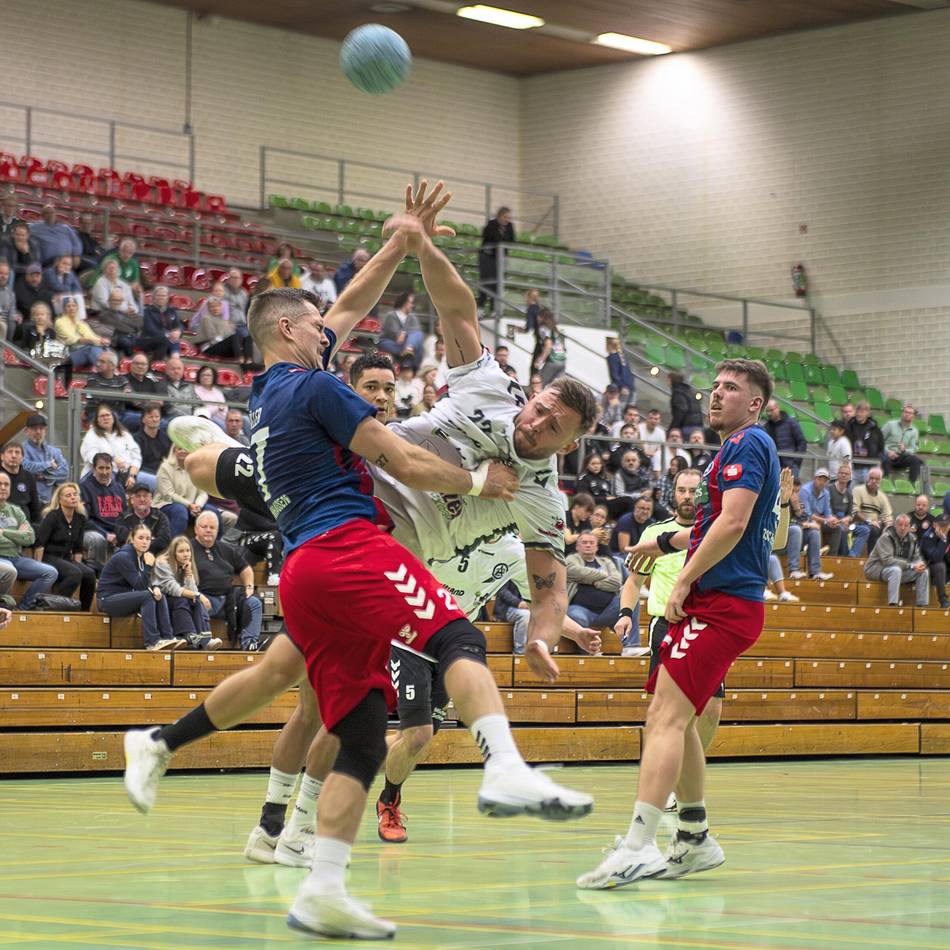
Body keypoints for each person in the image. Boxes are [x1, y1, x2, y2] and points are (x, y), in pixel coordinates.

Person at [122, 199, 594, 938]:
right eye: (537, 408)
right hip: (357, 515)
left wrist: (405, 242)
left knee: (325, 707)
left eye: (551, 426)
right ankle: (501, 763)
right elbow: (440, 345)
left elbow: (550, 579)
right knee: (453, 642)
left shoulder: (300, 372)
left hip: (339, 536)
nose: (534, 421)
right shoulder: (350, 386)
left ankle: (289, 852)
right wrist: (475, 481)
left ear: (565, 444)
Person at [578, 358, 785, 889]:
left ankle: (638, 846)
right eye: (715, 386)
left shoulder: (749, 444)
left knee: (663, 719)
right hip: (717, 602)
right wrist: (664, 541)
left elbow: (735, 523)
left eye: (731, 388)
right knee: (681, 718)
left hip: (722, 603)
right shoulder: (731, 451)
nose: (716, 395)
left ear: (755, 404)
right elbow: (714, 521)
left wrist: (686, 578)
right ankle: (693, 837)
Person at [98, 524, 181, 650]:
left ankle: (167, 638)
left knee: (159, 596)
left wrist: (155, 587)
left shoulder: (140, 556)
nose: (145, 542)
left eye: (148, 539)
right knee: (148, 596)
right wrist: (148, 566)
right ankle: (152, 642)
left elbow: (145, 582)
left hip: (125, 597)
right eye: (141, 538)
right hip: (107, 600)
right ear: (132, 539)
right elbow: (140, 586)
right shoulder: (124, 556)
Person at [189, 511, 263, 650]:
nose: (208, 530)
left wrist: (249, 587)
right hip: (203, 599)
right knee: (197, 605)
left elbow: (245, 568)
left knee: (254, 603)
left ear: (218, 530)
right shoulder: (187, 548)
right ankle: (202, 644)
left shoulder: (225, 549)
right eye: (204, 526)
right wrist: (197, 595)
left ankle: (250, 644)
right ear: (196, 529)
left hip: (228, 601)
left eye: (212, 527)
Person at [33, 482, 96, 611]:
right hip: (49, 556)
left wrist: (77, 565)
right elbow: (40, 543)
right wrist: (38, 565)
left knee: (89, 574)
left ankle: (84, 611)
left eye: (75, 495)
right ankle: (56, 607)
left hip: (67, 558)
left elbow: (78, 548)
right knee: (74, 573)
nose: (73, 497)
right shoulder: (53, 516)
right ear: (60, 499)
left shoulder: (80, 518)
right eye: (68, 495)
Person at [152, 536, 223, 650]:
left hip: (177, 601)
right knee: (183, 599)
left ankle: (205, 638)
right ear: (173, 553)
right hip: (161, 601)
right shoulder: (162, 563)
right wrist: (199, 595)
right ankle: (189, 635)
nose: (186, 554)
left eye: (188, 550)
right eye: (181, 551)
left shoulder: (185, 565)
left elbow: (193, 592)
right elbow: (173, 589)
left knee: (195, 601)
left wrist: (188, 574)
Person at [0, 470, 57, 609]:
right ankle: (3, 606)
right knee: (10, 570)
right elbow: (22, 538)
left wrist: (4, 532)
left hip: (16, 558)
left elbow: (30, 538)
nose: (3, 487)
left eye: (6, 484)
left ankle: (23, 608)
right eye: (0, 484)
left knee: (50, 572)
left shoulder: (16, 511)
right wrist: (18, 535)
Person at [863, 514, 930, 607]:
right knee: (895, 570)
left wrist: (920, 564)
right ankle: (893, 605)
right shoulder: (885, 537)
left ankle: (922, 606)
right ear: (895, 525)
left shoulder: (912, 539)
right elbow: (887, 560)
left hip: (898, 571)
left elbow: (916, 557)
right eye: (900, 525)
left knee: (923, 572)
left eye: (906, 525)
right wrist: (911, 566)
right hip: (875, 568)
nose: (903, 528)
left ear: (909, 527)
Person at [566, 531, 623, 636]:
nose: (588, 545)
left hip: (608, 610)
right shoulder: (571, 559)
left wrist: (596, 583)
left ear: (596, 547)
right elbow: (574, 571)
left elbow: (616, 582)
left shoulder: (606, 561)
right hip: (580, 609)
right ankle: (585, 652)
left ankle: (631, 645)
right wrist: (604, 575)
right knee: (576, 617)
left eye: (592, 543)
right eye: (584, 542)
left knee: (629, 602)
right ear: (577, 546)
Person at [154, 447, 219, 537]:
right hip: (166, 504)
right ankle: (173, 546)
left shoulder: (197, 468)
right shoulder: (165, 468)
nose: (183, 451)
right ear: (174, 451)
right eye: (179, 449)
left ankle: (215, 547)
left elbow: (203, 493)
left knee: (212, 511)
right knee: (180, 511)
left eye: (186, 448)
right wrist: (189, 505)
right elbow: (168, 495)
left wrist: (198, 506)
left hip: (192, 507)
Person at [79, 452, 127, 569]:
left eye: (107, 468)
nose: (104, 472)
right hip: (93, 531)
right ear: (94, 469)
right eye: (101, 468)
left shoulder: (118, 487)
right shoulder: (84, 487)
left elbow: (124, 516)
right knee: (98, 539)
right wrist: (105, 534)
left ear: (112, 469)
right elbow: (84, 519)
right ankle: (97, 575)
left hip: (115, 531)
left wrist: (120, 534)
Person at [80, 404, 142, 488]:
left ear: (113, 417)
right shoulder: (91, 435)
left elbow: (136, 456)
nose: (105, 418)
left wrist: (132, 475)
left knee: (153, 481)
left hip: (129, 473)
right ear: (97, 420)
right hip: (104, 474)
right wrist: (112, 459)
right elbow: (92, 457)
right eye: (102, 416)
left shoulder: (125, 434)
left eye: (108, 415)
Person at [795, 468, 838, 578]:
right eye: (820, 479)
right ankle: (814, 565)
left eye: (824, 480)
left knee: (838, 528)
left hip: (818, 521)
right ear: (814, 478)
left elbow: (828, 512)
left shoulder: (826, 493)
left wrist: (832, 520)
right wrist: (825, 520)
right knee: (814, 529)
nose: (822, 482)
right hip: (806, 522)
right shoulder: (805, 490)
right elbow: (807, 514)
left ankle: (831, 559)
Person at [21, 413, 68, 507]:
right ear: (26, 431)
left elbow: (64, 473)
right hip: (29, 501)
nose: (38, 432)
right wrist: (48, 465)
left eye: (41, 428)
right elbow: (25, 468)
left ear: (45, 430)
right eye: (34, 429)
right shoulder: (21, 449)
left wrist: (44, 476)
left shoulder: (54, 451)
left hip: (51, 502)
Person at [54, 295, 107, 379]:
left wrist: (102, 341)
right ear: (64, 309)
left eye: (74, 306)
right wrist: (92, 341)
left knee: (106, 350)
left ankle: (105, 371)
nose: (71, 308)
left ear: (77, 308)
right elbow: (71, 339)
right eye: (68, 306)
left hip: (84, 353)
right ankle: (106, 374)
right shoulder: (60, 322)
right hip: (67, 355)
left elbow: (92, 336)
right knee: (91, 348)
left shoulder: (81, 323)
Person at [115, 483, 171, 554]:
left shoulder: (160, 517)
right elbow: (122, 537)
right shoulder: (123, 516)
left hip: (154, 555)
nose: (142, 499)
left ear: (151, 499)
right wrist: (150, 540)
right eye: (138, 496)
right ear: (132, 500)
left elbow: (164, 540)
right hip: (128, 553)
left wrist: (141, 543)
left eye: (145, 496)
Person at [477, 206, 514, 309]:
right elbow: (491, 238)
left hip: (500, 258)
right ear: (499, 216)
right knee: (485, 281)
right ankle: (480, 307)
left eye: (509, 218)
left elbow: (511, 240)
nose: (507, 220)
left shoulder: (510, 226)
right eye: (505, 217)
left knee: (497, 283)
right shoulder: (491, 224)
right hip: (487, 257)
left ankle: (494, 309)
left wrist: (502, 237)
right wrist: (501, 236)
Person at [850, 467, 892, 557]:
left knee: (889, 532)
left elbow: (887, 515)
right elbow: (856, 512)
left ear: (880, 481)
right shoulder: (858, 490)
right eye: (871, 478)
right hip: (857, 523)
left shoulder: (882, 496)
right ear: (867, 478)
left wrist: (888, 526)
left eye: (877, 479)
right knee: (873, 529)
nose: (873, 481)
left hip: (875, 524)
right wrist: (869, 521)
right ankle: (870, 558)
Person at [379, 291, 424, 369]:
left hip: (407, 344)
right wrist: (403, 334)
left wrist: (404, 333)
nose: (412, 305)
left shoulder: (412, 316)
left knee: (418, 334)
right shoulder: (391, 315)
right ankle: (407, 353)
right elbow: (396, 335)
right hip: (392, 343)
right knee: (384, 343)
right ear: (404, 302)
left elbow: (416, 331)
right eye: (411, 303)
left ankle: (408, 349)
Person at [881, 403, 923, 485]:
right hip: (888, 455)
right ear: (902, 413)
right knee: (885, 459)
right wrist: (888, 452)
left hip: (901, 456)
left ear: (913, 416)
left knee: (916, 461)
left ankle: (911, 484)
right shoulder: (890, 425)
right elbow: (879, 441)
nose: (907, 414)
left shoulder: (914, 431)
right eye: (905, 412)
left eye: (910, 413)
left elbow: (912, 449)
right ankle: (885, 483)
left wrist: (904, 450)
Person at [1, 441, 41, 525]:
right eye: (10, 452)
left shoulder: (28, 476)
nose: (14, 456)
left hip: (24, 526)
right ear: (2, 456)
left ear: (22, 457)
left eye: (17, 452)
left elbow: (35, 507)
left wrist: (36, 528)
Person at [133, 406, 172, 490]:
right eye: (151, 417)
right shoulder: (136, 439)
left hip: (164, 472)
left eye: (157, 417)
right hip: (146, 473)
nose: (154, 419)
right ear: (143, 420)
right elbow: (137, 463)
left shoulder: (166, 436)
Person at [763, 399, 805, 475]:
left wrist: (796, 462)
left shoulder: (791, 423)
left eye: (771, 410)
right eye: (767, 411)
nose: (769, 413)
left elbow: (801, 442)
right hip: (774, 467)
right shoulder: (766, 427)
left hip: (791, 466)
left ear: (777, 408)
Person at [846, 401, 883, 486]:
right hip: (854, 466)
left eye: (862, 411)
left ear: (868, 413)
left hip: (869, 467)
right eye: (858, 411)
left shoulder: (874, 429)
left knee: (867, 495)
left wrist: (877, 460)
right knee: (851, 493)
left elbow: (881, 446)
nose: (859, 414)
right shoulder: (850, 426)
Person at [141, 285, 183, 358]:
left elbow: (179, 325)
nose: (161, 298)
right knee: (166, 340)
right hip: (149, 340)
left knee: (174, 341)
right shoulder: (147, 311)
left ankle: (175, 359)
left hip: (167, 340)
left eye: (163, 296)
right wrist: (169, 335)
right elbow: (151, 330)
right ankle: (158, 363)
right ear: (153, 298)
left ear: (167, 298)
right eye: (158, 295)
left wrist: (178, 331)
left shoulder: (171, 310)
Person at [84, 349, 129, 417]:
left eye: (102, 362)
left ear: (112, 366)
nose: (98, 364)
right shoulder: (92, 378)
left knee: (141, 418)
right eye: (98, 361)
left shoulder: (122, 380)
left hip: (118, 415)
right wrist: (121, 395)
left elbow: (132, 398)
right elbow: (101, 399)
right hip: (97, 415)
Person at [492, 578, 531, 654]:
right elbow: (502, 592)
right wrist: (519, 603)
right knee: (525, 615)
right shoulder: (510, 570)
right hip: (506, 609)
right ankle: (520, 651)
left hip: (525, 608)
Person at [920, 517, 950, 609]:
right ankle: (943, 600)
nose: (944, 528)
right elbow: (936, 558)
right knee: (940, 566)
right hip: (928, 567)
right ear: (934, 525)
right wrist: (943, 539)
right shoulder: (928, 537)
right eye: (941, 525)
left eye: (946, 525)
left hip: (946, 566)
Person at [532, 308, 567, 386]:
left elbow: (548, 345)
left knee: (539, 383)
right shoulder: (555, 328)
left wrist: (541, 360)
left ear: (541, 317)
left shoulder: (543, 329)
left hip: (553, 360)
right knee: (558, 387)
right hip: (562, 360)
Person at [828, 462, 854, 556]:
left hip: (844, 521)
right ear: (837, 474)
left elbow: (850, 514)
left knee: (863, 530)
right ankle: (840, 557)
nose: (843, 475)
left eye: (846, 474)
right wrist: (839, 521)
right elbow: (828, 509)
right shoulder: (829, 489)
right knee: (842, 530)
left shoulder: (849, 494)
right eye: (841, 473)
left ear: (850, 477)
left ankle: (852, 556)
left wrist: (846, 519)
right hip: (831, 520)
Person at [669, 372, 703, 437]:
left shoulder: (678, 393)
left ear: (671, 380)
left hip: (687, 426)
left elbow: (682, 410)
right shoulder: (689, 391)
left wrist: (673, 427)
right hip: (698, 425)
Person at [639, 408, 668, 473]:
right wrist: (655, 453)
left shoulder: (661, 432)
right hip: (640, 457)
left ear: (659, 421)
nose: (653, 421)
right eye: (651, 418)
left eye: (656, 419)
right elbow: (643, 450)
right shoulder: (639, 428)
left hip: (655, 459)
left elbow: (661, 451)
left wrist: (655, 454)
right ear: (646, 419)